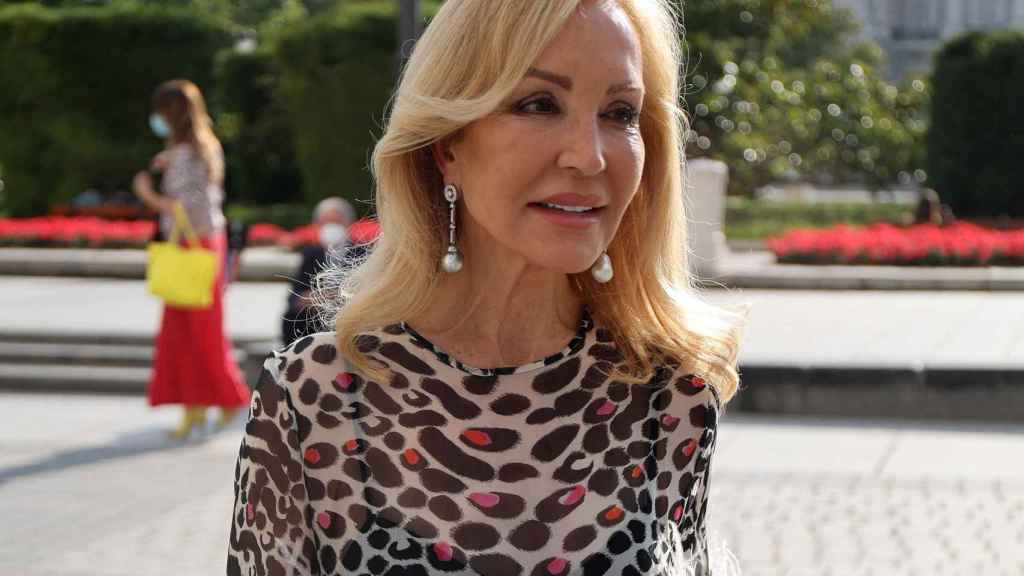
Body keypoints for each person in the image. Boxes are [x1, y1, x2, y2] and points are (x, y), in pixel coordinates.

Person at [226, 1, 746, 575]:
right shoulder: (312, 398)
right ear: (447, 145)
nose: (589, 155)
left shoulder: (673, 396)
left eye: (619, 112)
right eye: (539, 104)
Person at [133, 79, 250, 440]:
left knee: (196, 332)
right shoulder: (201, 147)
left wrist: (147, 194)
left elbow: (186, 205)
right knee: (192, 331)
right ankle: (197, 406)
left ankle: (225, 400)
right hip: (203, 243)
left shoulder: (188, 152)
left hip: (191, 244)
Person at [281, 196, 358, 346]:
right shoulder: (310, 254)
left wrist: (342, 296)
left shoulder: (361, 251)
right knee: (293, 317)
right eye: (326, 222)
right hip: (316, 313)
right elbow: (296, 293)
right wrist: (309, 298)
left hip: (350, 310)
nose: (331, 227)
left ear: (348, 223)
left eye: (336, 222)